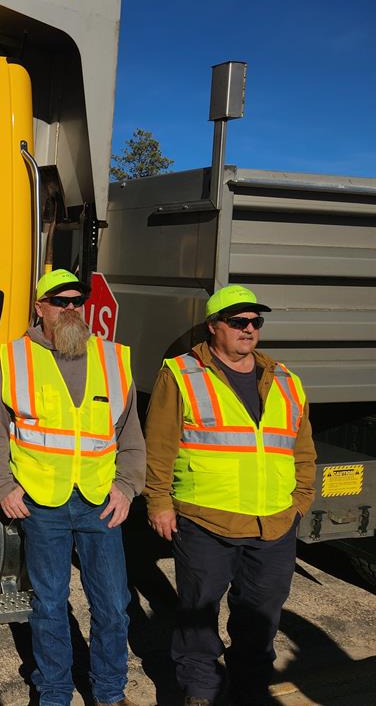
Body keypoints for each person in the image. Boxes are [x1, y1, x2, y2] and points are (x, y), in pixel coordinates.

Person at [144, 285, 315, 706]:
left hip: (274, 523)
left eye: (256, 321)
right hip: (207, 521)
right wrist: (159, 503)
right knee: (198, 620)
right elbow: (160, 445)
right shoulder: (181, 373)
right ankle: (199, 694)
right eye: (238, 322)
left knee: (260, 622)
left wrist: (300, 502)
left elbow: (303, 448)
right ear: (214, 327)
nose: (249, 329)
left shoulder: (286, 379)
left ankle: (249, 693)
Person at [0, 268, 144, 706]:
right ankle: (54, 692)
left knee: (112, 606)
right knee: (49, 605)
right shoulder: (15, 357)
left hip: (100, 502)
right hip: (41, 502)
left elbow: (130, 435)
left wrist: (127, 487)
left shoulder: (113, 358)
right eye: (59, 301)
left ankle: (109, 692)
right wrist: (4, 486)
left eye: (77, 300)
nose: (70, 308)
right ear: (40, 308)